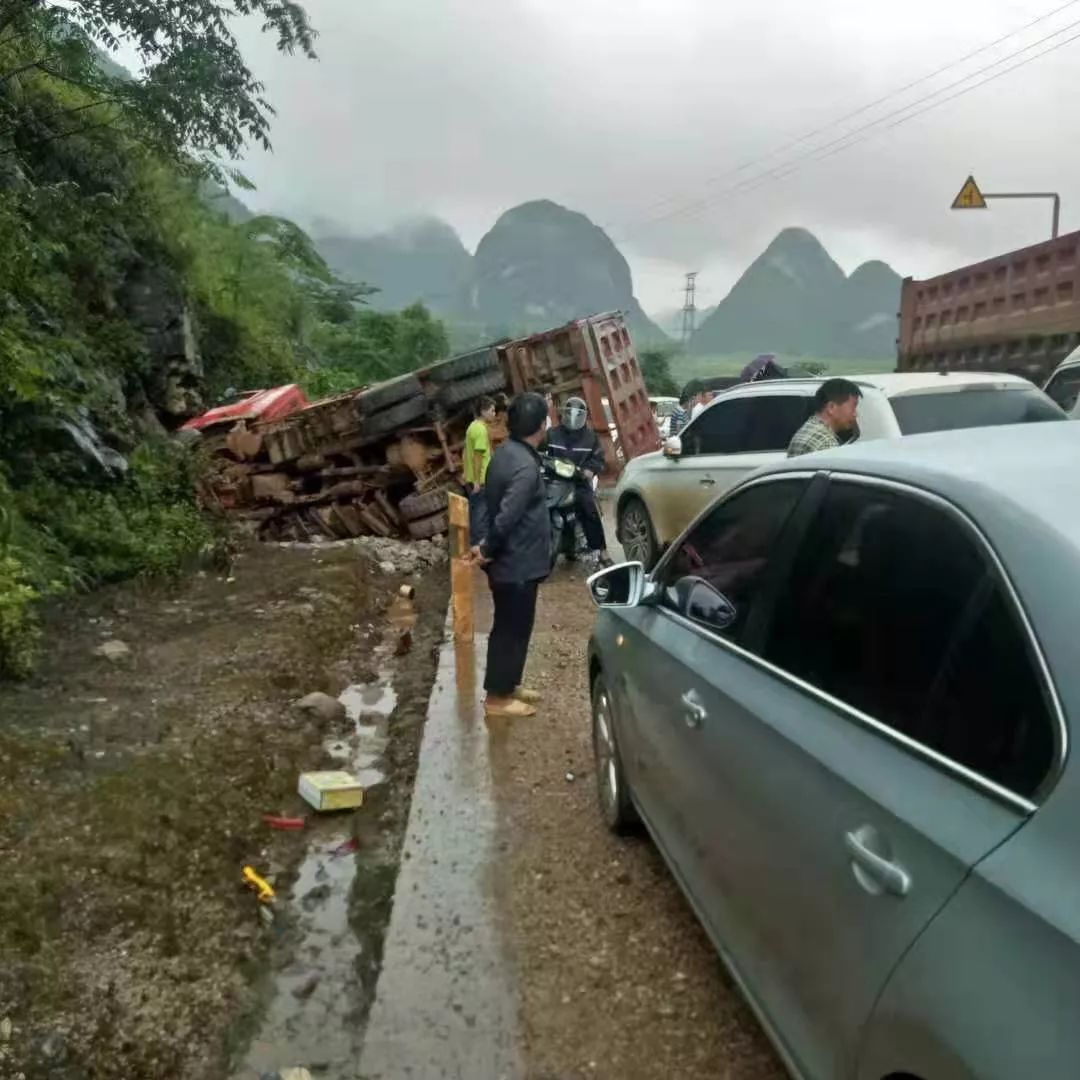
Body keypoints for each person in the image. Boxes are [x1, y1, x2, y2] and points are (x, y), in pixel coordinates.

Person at [470, 392, 551, 719]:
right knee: (509, 629)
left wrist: (485, 544)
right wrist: (486, 549)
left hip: (517, 562)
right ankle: (497, 698)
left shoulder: (505, 453)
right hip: (515, 563)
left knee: (519, 626)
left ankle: (510, 683)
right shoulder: (524, 466)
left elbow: (487, 505)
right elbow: (506, 516)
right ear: (540, 426)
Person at [540, 396, 612, 567]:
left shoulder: (590, 437)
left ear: (584, 416)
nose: (572, 418)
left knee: (590, 511)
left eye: (577, 414)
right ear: (563, 414)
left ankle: (603, 552)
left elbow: (599, 459)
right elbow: (540, 451)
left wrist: (590, 470)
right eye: (569, 413)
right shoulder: (552, 434)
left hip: (577, 482)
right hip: (554, 480)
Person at [787, 378, 862, 457]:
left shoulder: (807, 429)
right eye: (853, 407)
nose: (855, 414)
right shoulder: (826, 444)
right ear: (831, 407)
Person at [463, 396, 496, 543]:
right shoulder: (481, 430)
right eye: (492, 410)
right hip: (482, 480)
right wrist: (477, 481)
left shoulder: (472, 426)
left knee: (477, 512)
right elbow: (477, 457)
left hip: (478, 478)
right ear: (483, 411)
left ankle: (478, 543)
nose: (494, 414)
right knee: (480, 515)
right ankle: (479, 545)